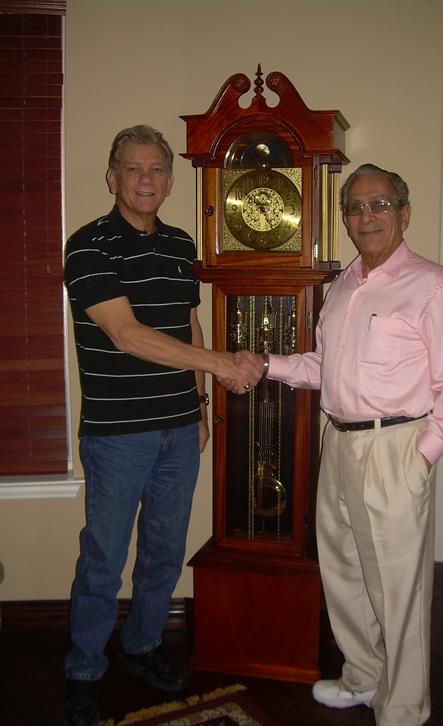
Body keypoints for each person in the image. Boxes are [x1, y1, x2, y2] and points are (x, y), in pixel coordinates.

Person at [241, 163, 443, 726]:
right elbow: (323, 366)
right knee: (344, 573)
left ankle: (405, 708)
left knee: (398, 589)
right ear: (345, 218)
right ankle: (363, 678)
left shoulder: (433, 284)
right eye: (356, 207)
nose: (367, 216)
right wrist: (266, 363)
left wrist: (421, 458)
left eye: (380, 204)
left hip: (395, 448)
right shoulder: (342, 286)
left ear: (404, 213)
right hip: (339, 444)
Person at [62, 124, 263, 726]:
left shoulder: (180, 245)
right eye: (133, 168)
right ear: (112, 177)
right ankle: (84, 670)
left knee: (163, 551)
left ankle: (144, 644)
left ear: (170, 182)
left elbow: (186, 326)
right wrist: (223, 365)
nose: (145, 179)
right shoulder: (88, 246)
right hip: (118, 435)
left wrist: (199, 406)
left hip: (178, 429)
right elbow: (127, 335)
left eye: (155, 169)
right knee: (103, 558)